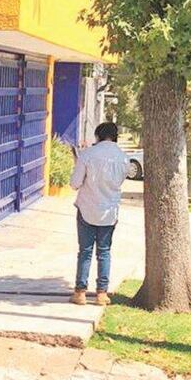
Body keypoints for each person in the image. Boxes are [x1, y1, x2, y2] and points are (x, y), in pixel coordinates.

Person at [69, 122, 128, 306]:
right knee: (104, 252)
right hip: (109, 211)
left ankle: (80, 292)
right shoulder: (123, 158)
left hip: (87, 208)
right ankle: (102, 293)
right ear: (115, 136)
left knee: (85, 252)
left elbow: (75, 183)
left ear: (98, 135)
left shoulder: (87, 155)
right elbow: (120, 181)